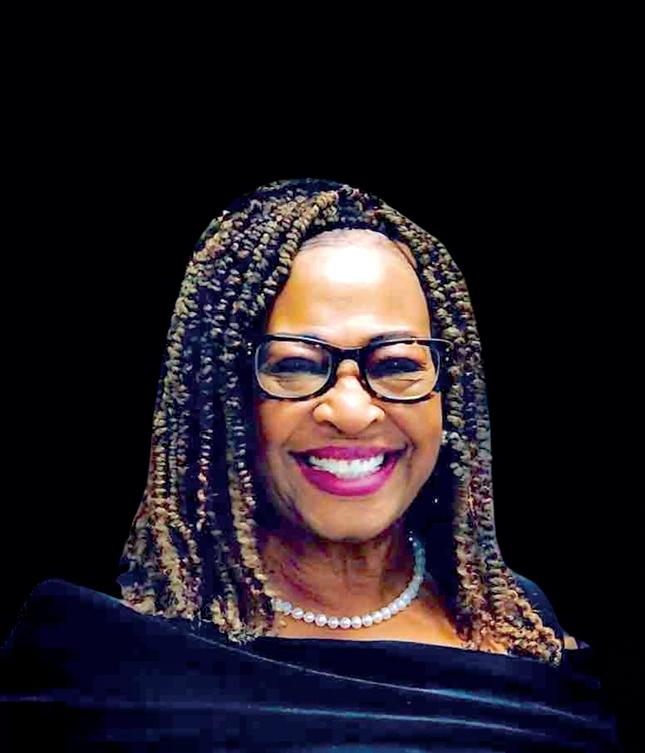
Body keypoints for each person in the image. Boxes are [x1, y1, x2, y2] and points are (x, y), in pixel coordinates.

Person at [1, 178, 624, 751]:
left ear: (448, 395)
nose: (351, 412)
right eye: (295, 366)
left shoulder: (525, 637)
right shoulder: (104, 666)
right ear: (223, 400)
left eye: (397, 364)